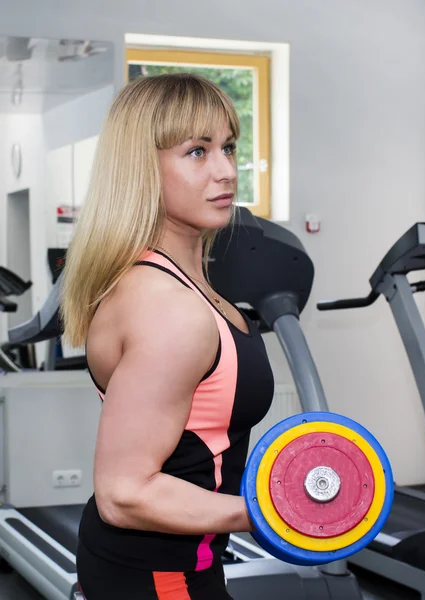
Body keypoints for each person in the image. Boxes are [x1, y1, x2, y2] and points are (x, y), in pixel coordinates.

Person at [60, 73, 275, 600]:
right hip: (156, 575)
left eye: (228, 147)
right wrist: (276, 514)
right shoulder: (167, 307)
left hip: (182, 559)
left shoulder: (174, 280)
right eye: (197, 152)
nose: (226, 171)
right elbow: (125, 493)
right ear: (141, 167)